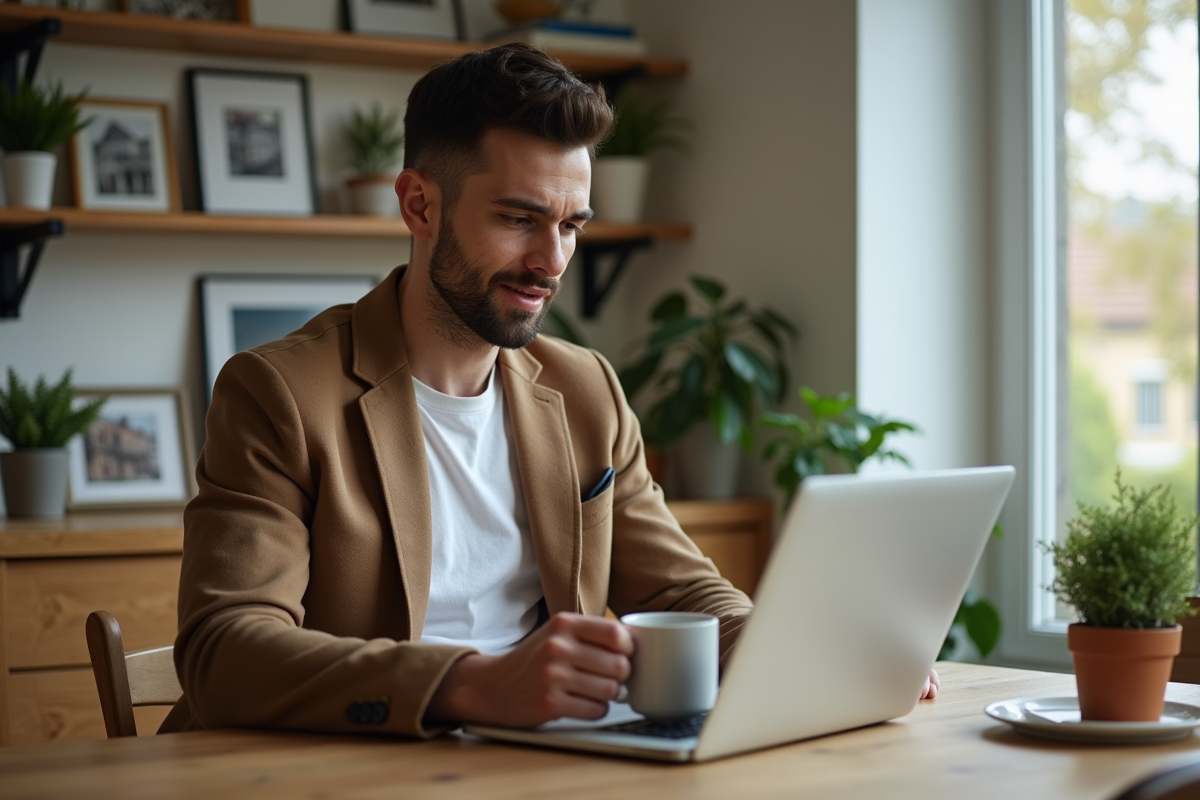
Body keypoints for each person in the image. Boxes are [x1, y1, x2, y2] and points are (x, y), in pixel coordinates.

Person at [163, 44, 757, 739]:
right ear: (420, 205)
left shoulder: (586, 388)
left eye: (571, 225)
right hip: (337, 768)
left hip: (533, 766)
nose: (551, 261)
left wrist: (796, 653)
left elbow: (680, 590)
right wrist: (471, 684)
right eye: (518, 219)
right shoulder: (280, 393)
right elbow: (224, 651)